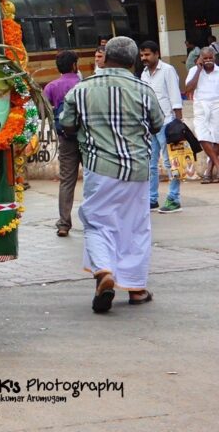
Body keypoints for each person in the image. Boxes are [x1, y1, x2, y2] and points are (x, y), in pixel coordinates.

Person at [59, 36, 163, 313]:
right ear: (131, 61)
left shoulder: (82, 89)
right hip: (138, 170)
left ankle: (104, 271)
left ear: (105, 58)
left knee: (97, 223)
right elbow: (157, 124)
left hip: (100, 169)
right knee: (135, 227)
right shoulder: (143, 89)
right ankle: (137, 289)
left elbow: (66, 123)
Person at [139, 40, 184, 213]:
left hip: (167, 124)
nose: (144, 58)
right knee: (151, 164)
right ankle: (152, 199)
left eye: (147, 54)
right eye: (142, 55)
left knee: (171, 162)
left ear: (157, 54)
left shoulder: (167, 70)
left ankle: (174, 199)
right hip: (150, 125)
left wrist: (178, 123)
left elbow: (175, 97)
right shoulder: (144, 73)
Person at [44, 50, 81, 236]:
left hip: (65, 139)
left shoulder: (51, 86)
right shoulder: (83, 85)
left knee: (67, 181)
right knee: (93, 179)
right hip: (86, 138)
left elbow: (44, 111)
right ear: (75, 65)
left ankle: (64, 224)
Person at [185, 46, 219, 183]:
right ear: (200, 59)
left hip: (217, 105)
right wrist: (199, 69)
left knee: (217, 137)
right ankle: (217, 164)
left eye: (211, 58)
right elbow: (188, 89)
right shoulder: (194, 71)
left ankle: (209, 168)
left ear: (215, 58)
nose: (208, 60)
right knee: (202, 136)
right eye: (205, 58)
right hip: (200, 105)